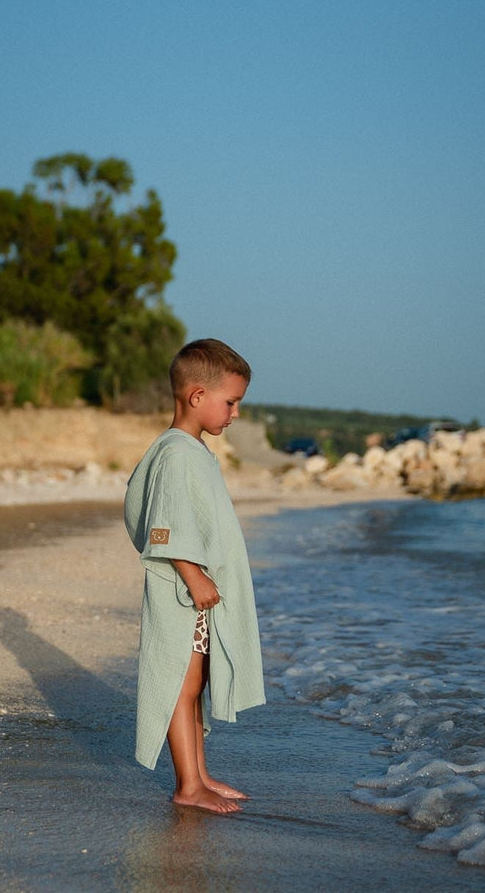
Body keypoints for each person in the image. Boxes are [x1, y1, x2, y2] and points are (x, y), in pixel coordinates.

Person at [123, 338, 265, 814]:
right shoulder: (176, 453)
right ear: (197, 396)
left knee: (195, 684)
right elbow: (164, 523)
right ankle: (187, 785)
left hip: (194, 592)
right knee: (179, 685)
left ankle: (200, 774)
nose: (236, 413)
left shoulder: (193, 450)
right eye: (231, 402)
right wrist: (192, 574)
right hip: (183, 592)